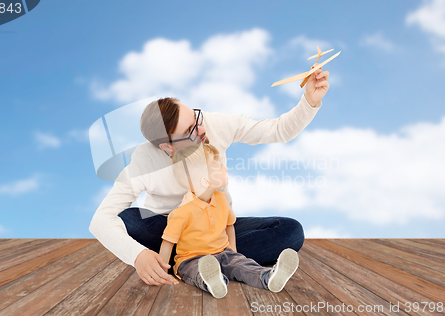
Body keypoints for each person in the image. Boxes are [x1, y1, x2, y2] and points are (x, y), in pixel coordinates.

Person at [89, 64, 330, 285]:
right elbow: (101, 219)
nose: (202, 130)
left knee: (290, 231)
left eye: (196, 118)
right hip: (169, 227)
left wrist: (309, 101)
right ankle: (214, 261)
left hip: (215, 226)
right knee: (129, 219)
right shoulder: (144, 160)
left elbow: (277, 131)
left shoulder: (214, 125)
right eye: (190, 131)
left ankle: (196, 262)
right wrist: (138, 256)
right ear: (167, 146)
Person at [159, 143, 299, 298]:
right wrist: (163, 273)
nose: (225, 168)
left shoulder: (222, 199)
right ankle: (214, 281)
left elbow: (230, 226)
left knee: (243, 265)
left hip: (224, 252)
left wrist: (233, 252)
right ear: (205, 181)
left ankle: (268, 277)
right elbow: (168, 243)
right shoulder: (182, 212)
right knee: (196, 271)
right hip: (190, 259)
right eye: (219, 166)